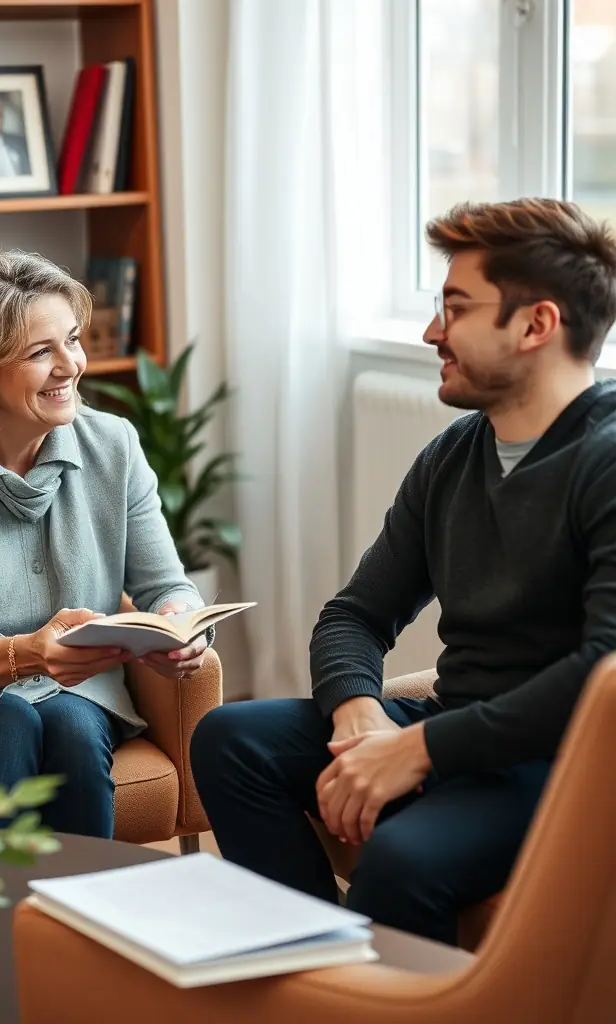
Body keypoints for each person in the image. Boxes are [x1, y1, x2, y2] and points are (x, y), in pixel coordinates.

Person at [190, 197, 616, 945]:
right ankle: (309, 972)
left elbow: (599, 672)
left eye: (454, 308)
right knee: (231, 738)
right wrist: (359, 714)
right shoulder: (455, 453)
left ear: (535, 325)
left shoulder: (605, 461)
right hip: (461, 730)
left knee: (403, 860)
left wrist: (416, 750)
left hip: (566, 762)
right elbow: (356, 614)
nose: (431, 332)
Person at [0, 250, 210, 838]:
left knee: (73, 730)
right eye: (40, 352)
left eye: (71, 340)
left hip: (79, 693)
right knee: (10, 723)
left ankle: (82, 919)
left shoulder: (115, 447)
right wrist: (28, 652)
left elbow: (166, 584)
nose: (71, 365)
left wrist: (179, 622)